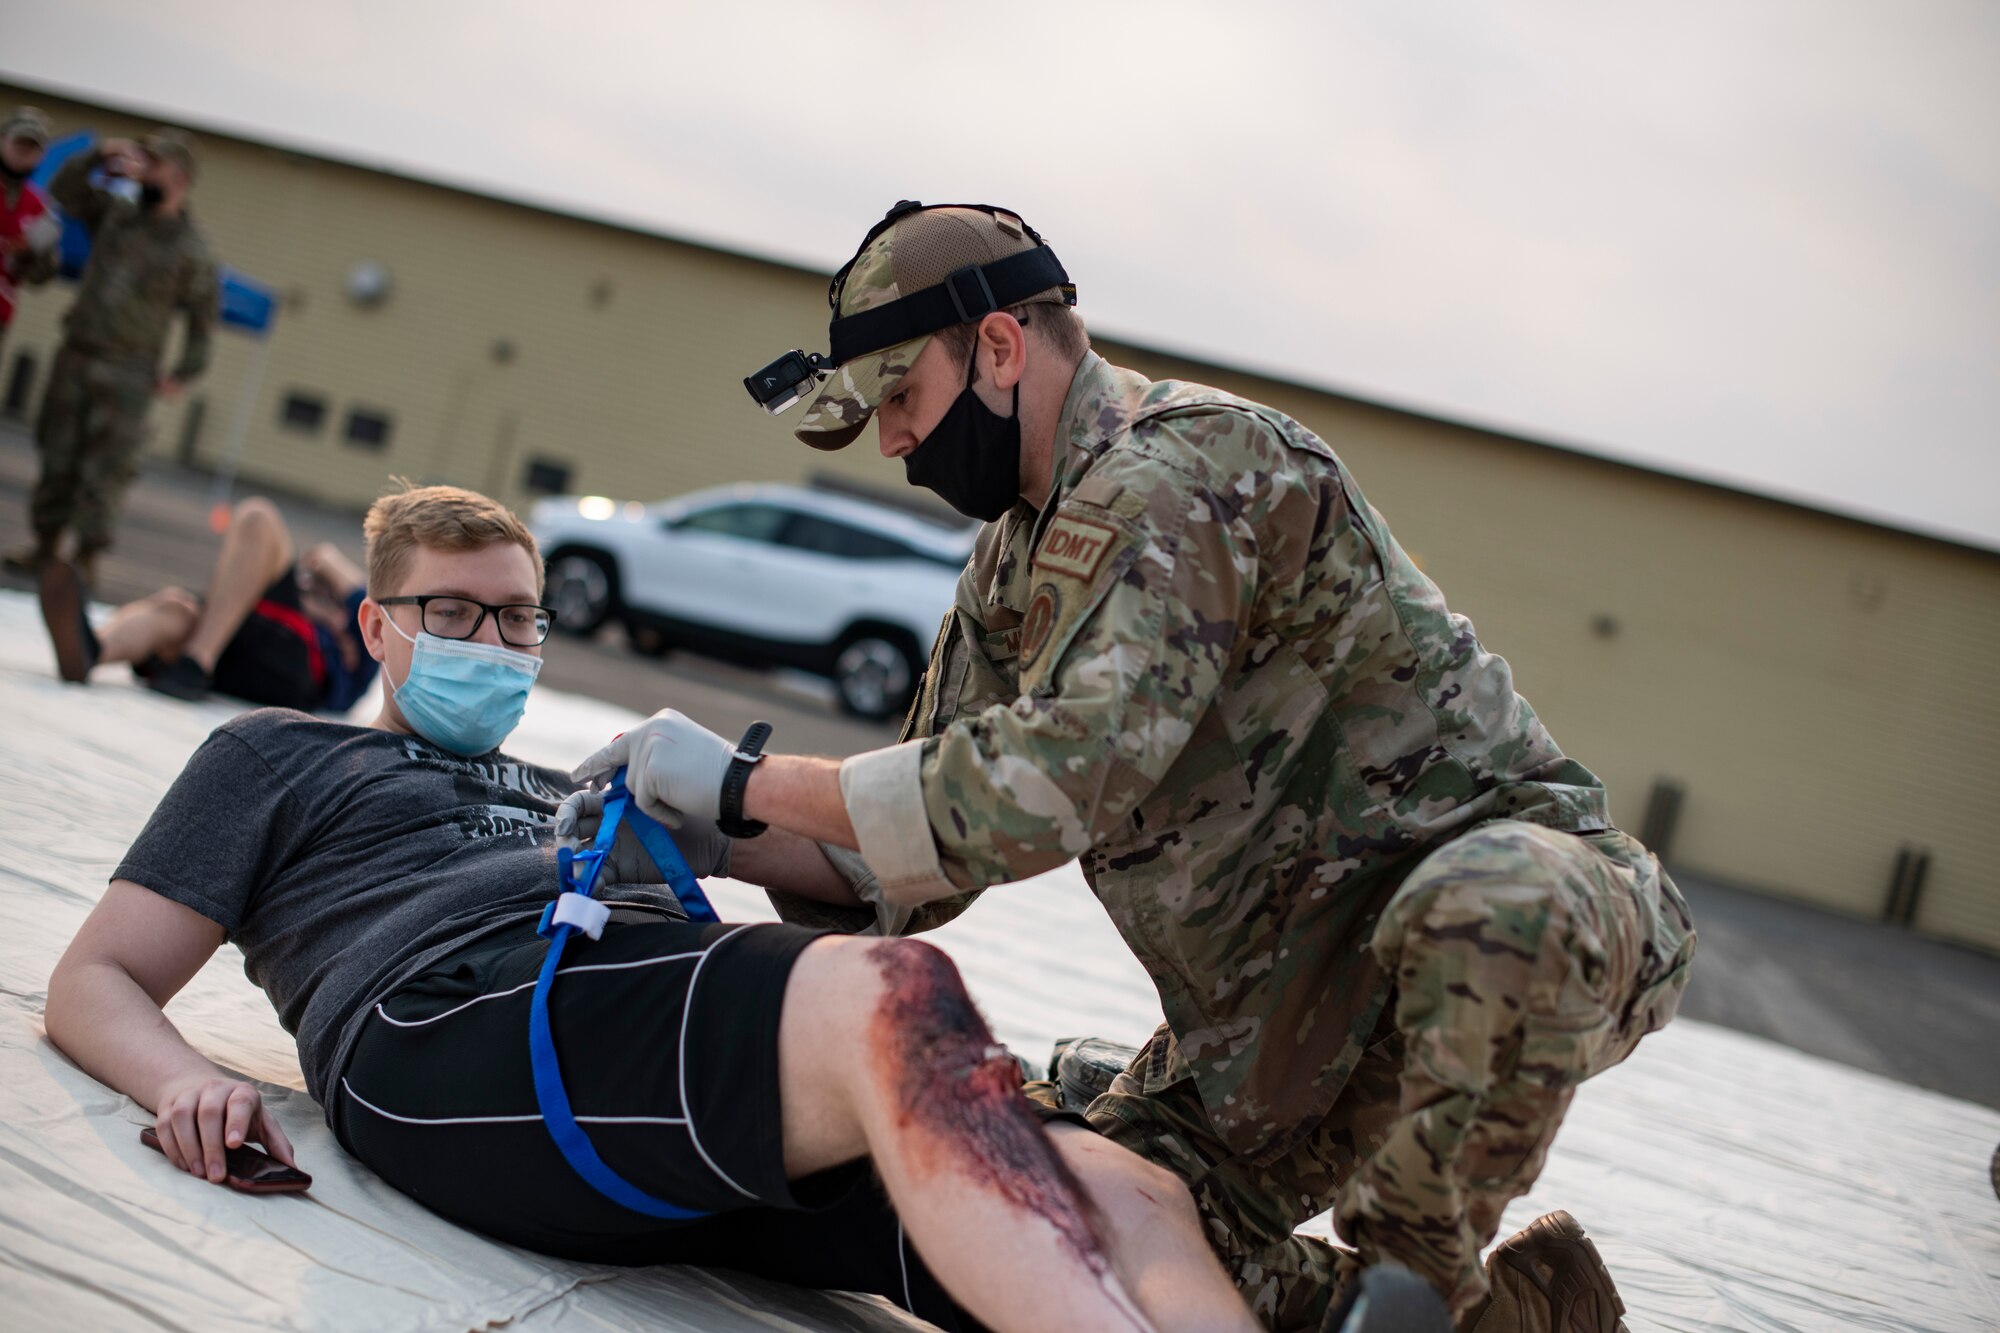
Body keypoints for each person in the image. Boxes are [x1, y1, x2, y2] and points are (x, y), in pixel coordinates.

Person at [591, 203, 1699, 1332]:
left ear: (999, 346)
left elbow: (1044, 787)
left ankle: (1409, 1285)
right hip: (1273, 1031)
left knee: (1489, 904)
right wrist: (712, 829)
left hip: (1531, 926)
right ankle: (1513, 1319)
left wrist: (740, 778)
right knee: (1062, 1227)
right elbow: (906, 857)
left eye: (900, 399)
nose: (891, 442)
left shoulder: (1185, 469)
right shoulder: (1011, 567)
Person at [42, 483, 1267, 1333]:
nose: (494, 639)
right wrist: (177, 1080)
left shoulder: (565, 783)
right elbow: (94, 979)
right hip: (445, 1025)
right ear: (376, 623)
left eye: (518, 616)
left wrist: (723, 814)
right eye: (453, 613)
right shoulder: (283, 753)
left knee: (1117, 1188)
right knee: (894, 998)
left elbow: (864, 888)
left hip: (637, 1061)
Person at [4, 128, 217, 585]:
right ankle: (43, 546)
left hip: (130, 371)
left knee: (107, 472)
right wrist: (97, 155)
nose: (143, 169)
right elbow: (60, 193)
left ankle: (83, 561)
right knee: (57, 452)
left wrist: (183, 372)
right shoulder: (116, 214)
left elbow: (203, 320)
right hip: (77, 353)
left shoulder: (192, 249)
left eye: (153, 163)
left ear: (178, 176)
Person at [36, 494, 377, 710]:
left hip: (291, 671)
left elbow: (363, 593)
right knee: (176, 608)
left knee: (258, 516)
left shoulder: (356, 630)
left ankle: (196, 663)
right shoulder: (279, 605)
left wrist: (327, 561)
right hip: (234, 658)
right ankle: (93, 649)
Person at [0, 106, 61, 361]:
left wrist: (31, 254)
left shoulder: (39, 206)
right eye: (19, 143)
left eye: (32, 147)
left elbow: (41, 276)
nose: (24, 152)